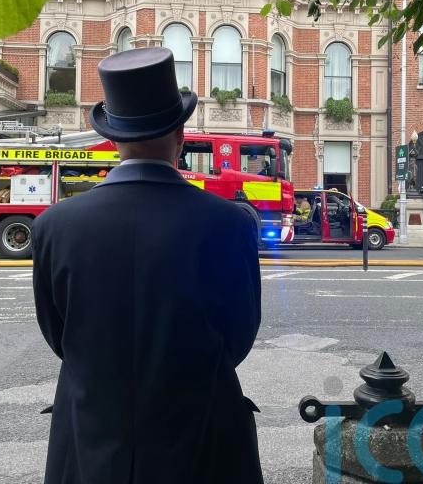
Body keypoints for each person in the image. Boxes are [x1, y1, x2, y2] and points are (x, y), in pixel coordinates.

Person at [32, 47, 263, 484]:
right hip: (203, 443)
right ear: (179, 135)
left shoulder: (54, 226)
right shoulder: (230, 224)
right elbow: (239, 336)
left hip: (90, 440)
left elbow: (59, 335)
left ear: (113, 139)